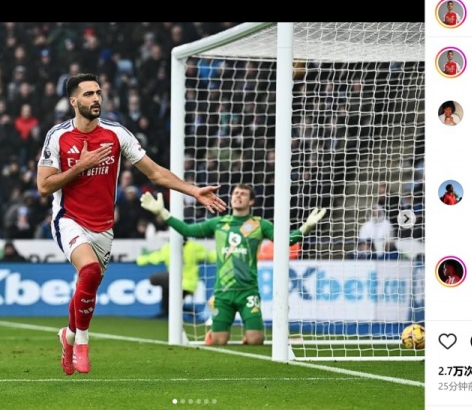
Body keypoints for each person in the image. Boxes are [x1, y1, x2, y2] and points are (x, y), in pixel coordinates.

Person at [36, 73, 227, 376]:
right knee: (89, 270)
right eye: (88, 94)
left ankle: (68, 335)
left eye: (98, 92)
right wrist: (82, 166)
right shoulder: (58, 136)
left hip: (103, 227)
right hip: (69, 218)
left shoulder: (116, 134)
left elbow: (155, 173)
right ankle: (82, 342)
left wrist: (193, 191)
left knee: (88, 284)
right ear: (73, 101)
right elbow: (44, 187)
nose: (96, 98)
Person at [140, 183, 326, 346]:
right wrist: (162, 213)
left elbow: (285, 240)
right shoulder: (219, 223)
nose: (238, 196)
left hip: (248, 292)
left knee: (256, 340)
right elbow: (187, 230)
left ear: (251, 201)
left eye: (243, 194)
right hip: (223, 293)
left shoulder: (260, 225)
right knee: (218, 341)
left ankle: (250, 335)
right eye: (236, 193)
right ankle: (214, 333)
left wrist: (306, 227)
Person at [136, 236, 217, 318]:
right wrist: (222, 257)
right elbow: (210, 255)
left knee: (159, 281)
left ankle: (173, 311)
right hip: (187, 283)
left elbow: (154, 257)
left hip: (183, 283)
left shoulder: (171, 248)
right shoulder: (194, 247)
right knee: (168, 290)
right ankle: (175, 310)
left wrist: (139, 260)